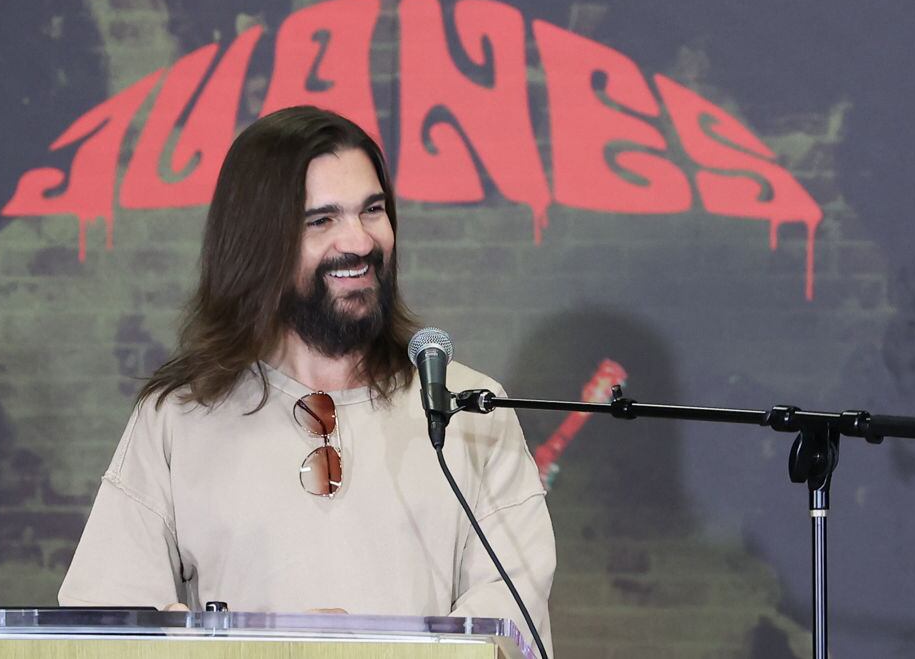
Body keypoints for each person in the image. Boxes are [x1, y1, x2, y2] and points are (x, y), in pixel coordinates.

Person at [58, 105, 555, 654]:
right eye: (321, 220)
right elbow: (104, 622)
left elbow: (513, 620)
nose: (360, 241)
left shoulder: (467, 410)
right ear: (257, 243)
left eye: (373, 210)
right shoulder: (179, 416)